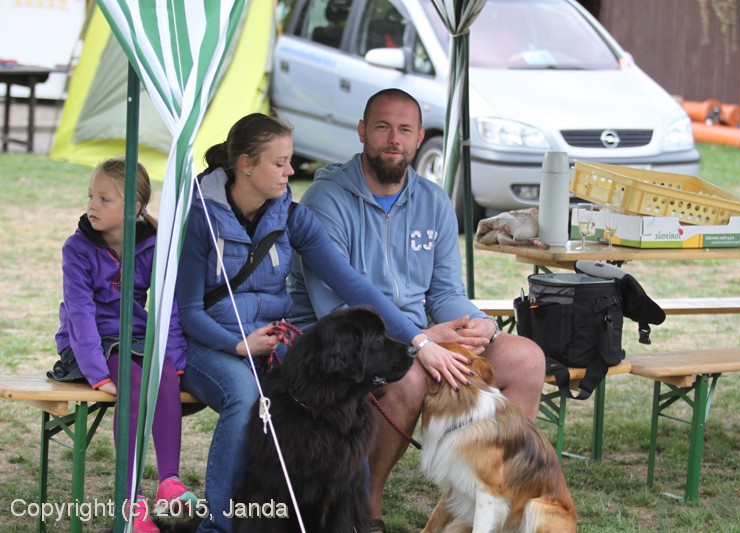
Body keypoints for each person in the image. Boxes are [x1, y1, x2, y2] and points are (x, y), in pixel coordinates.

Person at [175, 112, 476, 533]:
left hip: (271, 337)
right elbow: (188, 311)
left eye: (289, 160)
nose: (290, 172)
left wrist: (418, 340)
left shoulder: (290, 215)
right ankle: (218, 527)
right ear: (246, 165)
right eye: (279, 163)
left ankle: (352, 519)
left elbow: (354, 285)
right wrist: (240, 346)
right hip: (208, 345)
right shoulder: (200, 218)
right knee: (245, 397)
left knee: (343, 387)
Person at [288, 88, 546, 531]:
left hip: (420, 334)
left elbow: (444, 292)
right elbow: (336, 310)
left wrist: (478, 323)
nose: (394, 139)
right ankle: (366, 510)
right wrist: (420, 339)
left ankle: (480, 494)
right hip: (342, 341)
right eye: (383, 127)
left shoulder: (433, 200)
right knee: (407, 378)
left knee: (527, 359)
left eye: (405, 130)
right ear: (362, 131)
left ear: (420, 137)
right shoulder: (326, 200)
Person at [51, 158, 196, 533]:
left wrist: (174, 360)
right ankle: (130, 503)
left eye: (104, 199)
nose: (92, 206)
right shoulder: (78, 248)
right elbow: (80, 314)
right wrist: (97, 374)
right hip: (88, 345)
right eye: (91, 196)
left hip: (133, 336)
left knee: (163, 373)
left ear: (133, 207)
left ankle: (169, 482)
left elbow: (168, 308)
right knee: (132, 382)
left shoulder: (154, 245)